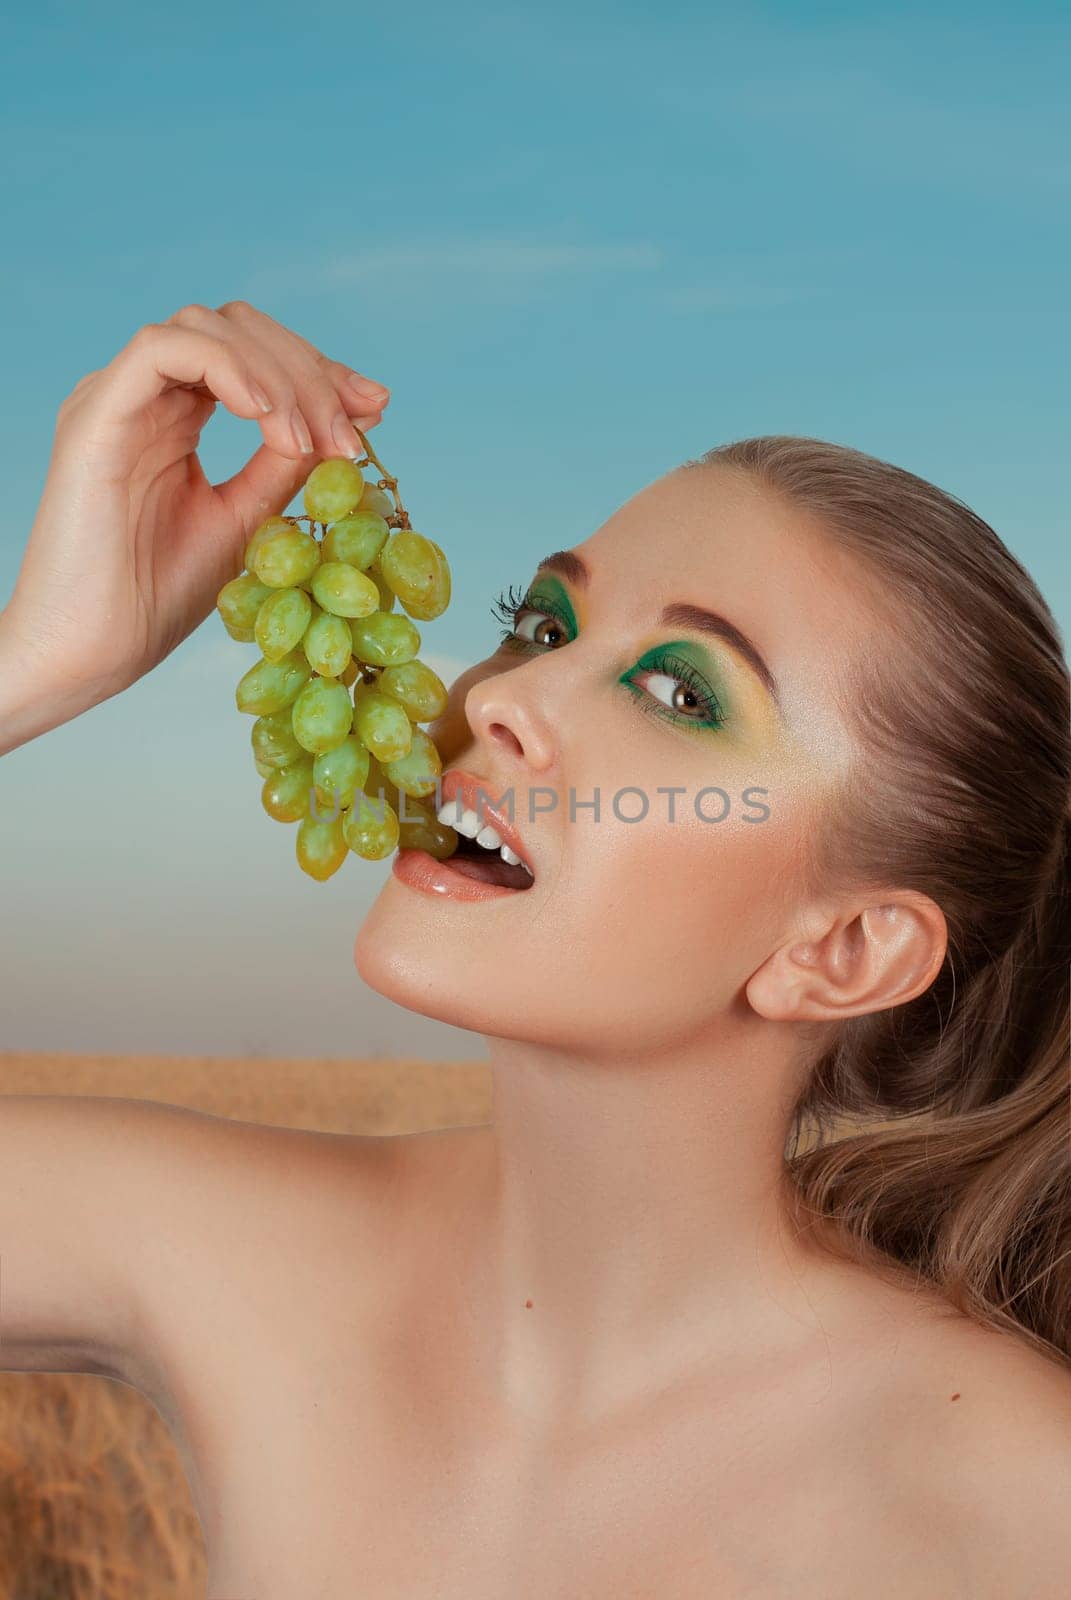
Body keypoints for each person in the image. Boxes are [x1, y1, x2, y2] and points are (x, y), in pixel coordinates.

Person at [1, 300, 1068, 1597]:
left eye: (681, 692)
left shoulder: (1021, 1498)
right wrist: (35, 662)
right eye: (546, 624)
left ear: (844, 950)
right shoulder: (228, 1249)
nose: (496, 695)